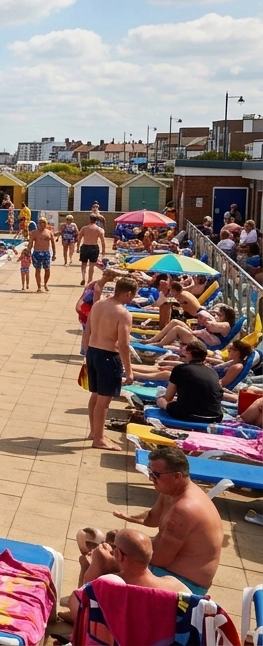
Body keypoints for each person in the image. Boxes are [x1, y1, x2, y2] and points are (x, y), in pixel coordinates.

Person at [78, 447, 222, 595]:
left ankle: (81, 608)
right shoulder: (171, 491)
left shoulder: (184, 510)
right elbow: (152, 518)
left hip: (184, 584)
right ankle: (80, 602)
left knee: (102, 558)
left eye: (156, 474)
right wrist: (128, 520)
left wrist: (122, 548)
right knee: (98, 555)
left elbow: (160, 558)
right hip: (168, 570)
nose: (150, 478)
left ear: (177, 476)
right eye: (150, 472)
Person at [85, 277, 136, 450]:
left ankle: (94, 432)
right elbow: (123, 344)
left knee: (95, 395)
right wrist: (129, 371)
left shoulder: (98, 304)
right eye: (132, 296)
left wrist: (86, 353)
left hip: (93, 351)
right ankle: (98, 439)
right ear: (128, 293)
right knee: (104, 401)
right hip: (108, 356)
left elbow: (88, 330)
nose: (132, 300)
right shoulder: (123, 313)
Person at [154, 340, 224, 424]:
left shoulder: (179, 369)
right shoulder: (213, 372)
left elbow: (168, 397)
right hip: (215, 416)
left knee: (161, 400)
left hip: (188, 415)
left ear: (189, 353)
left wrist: (164, 400)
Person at [77, 219, 107, 286]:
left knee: (83, 264)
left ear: (89, 220)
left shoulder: (84, 228)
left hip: (85, 246)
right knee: (92, 265)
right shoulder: (99, 229)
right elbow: (103, 241)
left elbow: (79, 238)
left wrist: (77, 247)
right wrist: (103, 250)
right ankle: (89, 280)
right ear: (96, 221)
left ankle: (83, 277)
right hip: (94, 247)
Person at [28, 218, 55, 292]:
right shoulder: (34, 233)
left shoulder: (49, 232)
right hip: (37, 252)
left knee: (47, 269)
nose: (40, 224)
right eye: (39, 223)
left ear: (45, 224)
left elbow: (53, 243)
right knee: (38, 269)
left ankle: (45, 283)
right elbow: (30, 243)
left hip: (46, 252)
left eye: (42, 222)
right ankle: (39, 286)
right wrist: (28, 251)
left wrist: (54, 254)